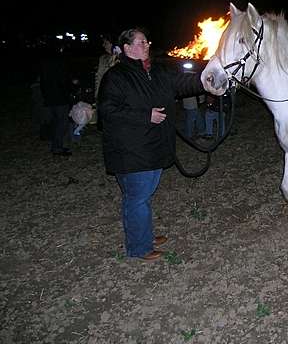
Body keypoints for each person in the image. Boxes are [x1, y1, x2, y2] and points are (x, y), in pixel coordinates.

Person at [98, 28, 207, 261]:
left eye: (146, 41)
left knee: (143, 196)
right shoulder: (116, 76)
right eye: (140, 42)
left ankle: (143, 235)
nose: (146, 45)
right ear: (127, 49)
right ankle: (139, 247)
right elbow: (107, 111)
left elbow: (182, 84)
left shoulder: (156, 72)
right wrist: (145, 116)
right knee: (137, 198)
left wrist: (207, 80)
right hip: (130, 150)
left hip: (152, 146)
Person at [39, 44, 74, 156]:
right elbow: (63, 81)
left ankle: (54, 143)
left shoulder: (45, 63)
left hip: (49, 97)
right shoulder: (59, 62)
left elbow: (43, 81)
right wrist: (70, 90)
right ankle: (57, 147)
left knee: (55, 121)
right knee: (61, 122)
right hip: (60, 98)